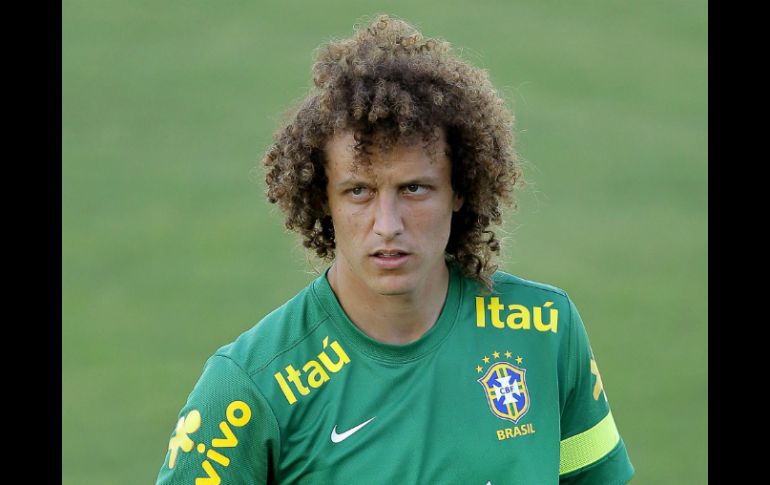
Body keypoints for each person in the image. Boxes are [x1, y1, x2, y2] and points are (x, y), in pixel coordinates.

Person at [155, 14, 634, 484]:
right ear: (323, 200)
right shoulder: (249, 388)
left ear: (460, 189)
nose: (388, 225)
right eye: (359, 191)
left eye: (414, 189)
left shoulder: (545, 329)